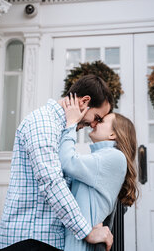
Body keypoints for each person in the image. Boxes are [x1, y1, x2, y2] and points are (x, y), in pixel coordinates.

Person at [0, 75, 114, 251]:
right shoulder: (43, 123)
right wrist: (87, 231)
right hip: (29, 239)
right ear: (84, 101)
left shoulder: (63, 128)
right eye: (96, 117)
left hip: (45, 239)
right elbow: (51, 182)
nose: (94, 125)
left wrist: (94, 221)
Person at [59, 94, 138, 251]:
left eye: (101, 121)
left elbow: (67, 162)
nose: (94, 123)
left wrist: (71, 123)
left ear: (112, 134)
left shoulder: (114, 158)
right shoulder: (100, 158)